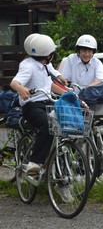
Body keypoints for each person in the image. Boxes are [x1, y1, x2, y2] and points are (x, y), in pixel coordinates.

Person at [10, 34, 73, 203]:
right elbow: (14, 83)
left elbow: (51, 82)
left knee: (62, 132)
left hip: (47, 102)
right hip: (32, 107)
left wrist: (67, 92)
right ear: (48, 54)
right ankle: (34, 165)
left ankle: (61, 179)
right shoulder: (28, 66)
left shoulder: (45, 64)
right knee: (48, 126)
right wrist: (21, 89)